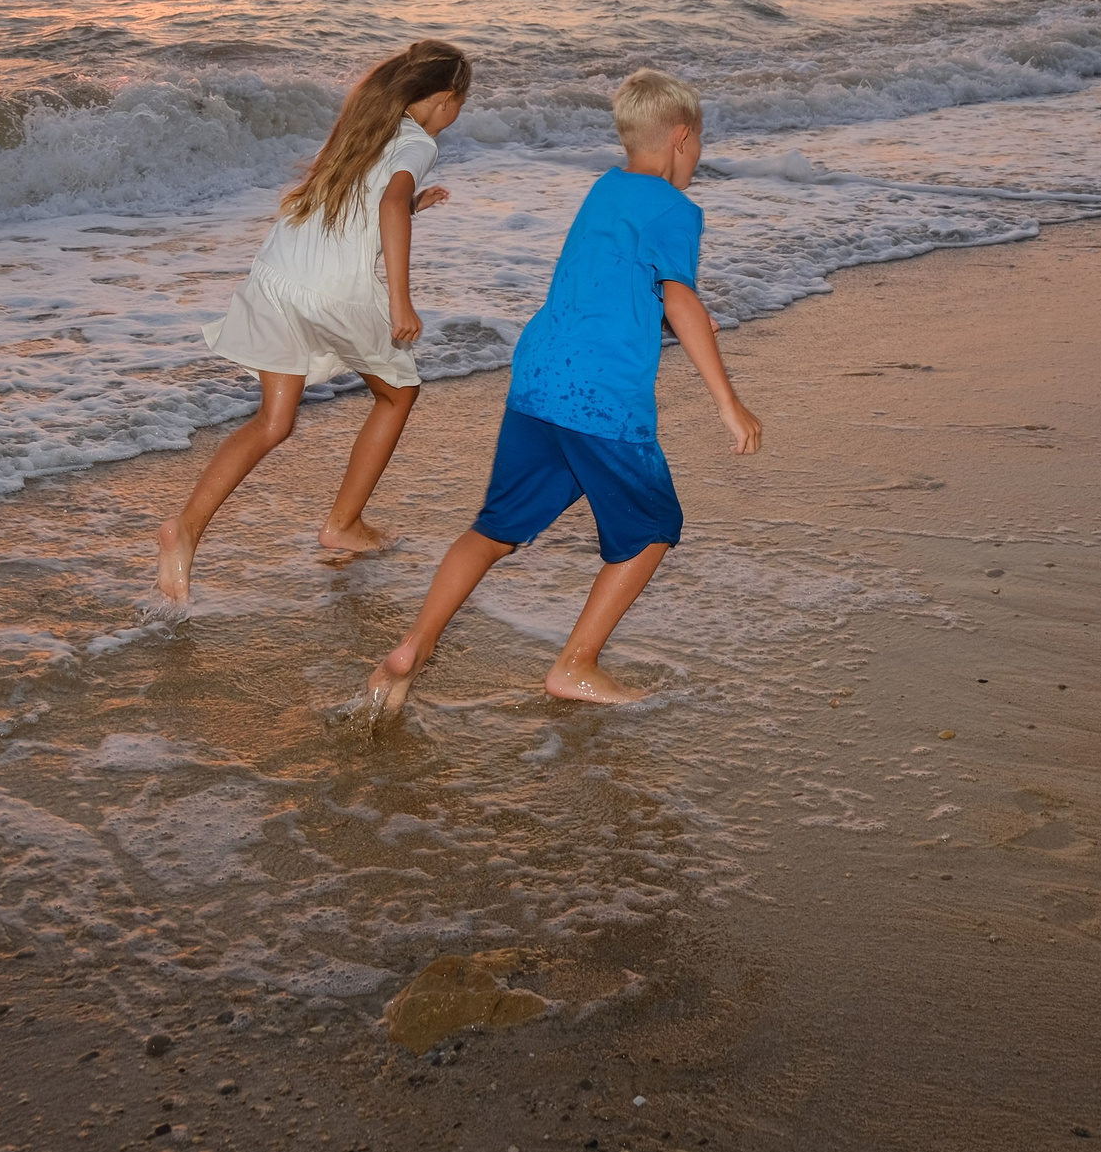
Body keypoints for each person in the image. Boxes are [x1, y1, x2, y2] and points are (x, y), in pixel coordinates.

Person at [366, 67, 761, 716]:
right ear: (681, 139)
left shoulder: (604, 190)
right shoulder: (676, 209)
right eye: (699, 146)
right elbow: (681, 293)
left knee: (493, 529)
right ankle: (575, 665)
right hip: (602, 396)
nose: (697, 159)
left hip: (539, 377)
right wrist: (727, 399)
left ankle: (412, 647)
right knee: (655, 526)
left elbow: (612, 284)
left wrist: (662, 309)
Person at [155, 39, 472, 606]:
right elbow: (389, 205)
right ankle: (343, 523)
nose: (456, 116)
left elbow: (369, 199)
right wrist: (401, 300)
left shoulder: (364, 122)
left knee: (273, 423)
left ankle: (185, 529)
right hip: (332, 290)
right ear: (445, 98)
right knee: (399, 393)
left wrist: (414, 204)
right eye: (460, 104)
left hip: (278, 272)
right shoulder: (418, 142)